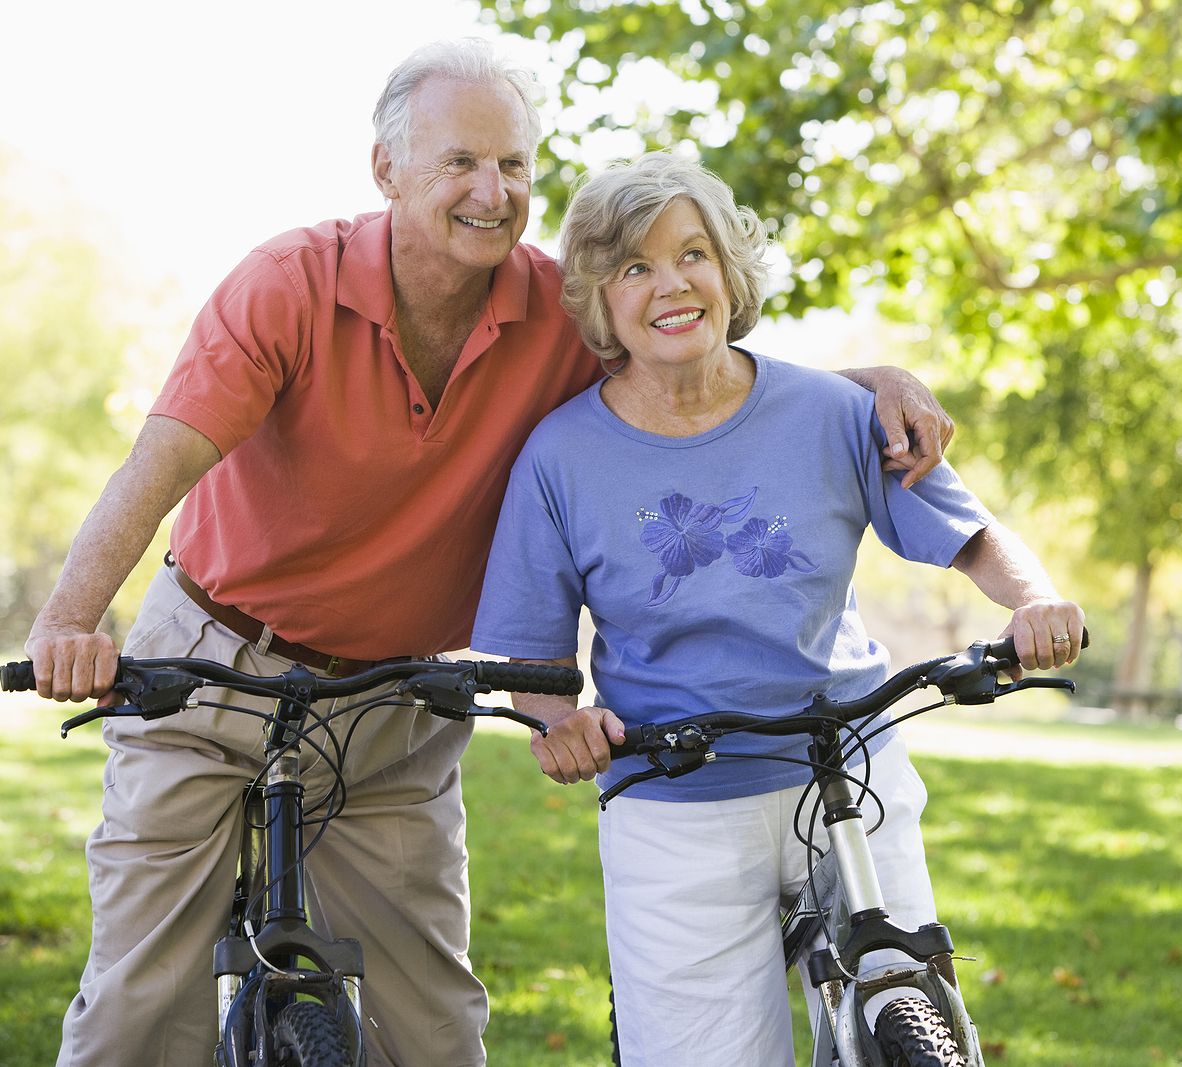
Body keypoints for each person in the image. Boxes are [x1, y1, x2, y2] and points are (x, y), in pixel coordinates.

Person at [23, 41, 953, 1067]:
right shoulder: (288, 285)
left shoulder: (557, 314)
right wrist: (70, 618)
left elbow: (697, 360)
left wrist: (865, 382)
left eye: (512, 165)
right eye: (460, 162)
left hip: (397, 700)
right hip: (210, 669)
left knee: (432, 1028)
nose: (491, 190)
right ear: (387, 170)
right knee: (140, 1007)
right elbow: (163, 460)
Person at [470, 152, 1086, 1066]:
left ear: (729, 270)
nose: (671, 283)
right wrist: (560, 723)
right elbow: (525, 654)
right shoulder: (559, 457)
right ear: (601, 301)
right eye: (635, 267)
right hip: (673, 795)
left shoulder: (835, 411)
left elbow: (972, 534)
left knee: (915, 1017)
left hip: (850, 769)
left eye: (693, 254)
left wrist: (1035, 599)